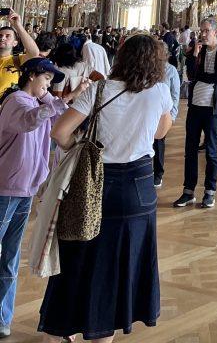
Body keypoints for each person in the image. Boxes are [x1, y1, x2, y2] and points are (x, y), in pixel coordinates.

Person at [38, 33, 173, 343]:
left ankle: (63, 329)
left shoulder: (99, 90)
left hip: (95, 179)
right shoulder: (160, 91)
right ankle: (104, 334)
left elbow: (59, 132)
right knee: (124, 263)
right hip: (139, 186)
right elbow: (160, 132)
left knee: (79, 256)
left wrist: (79, 147)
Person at [0, 57, 89, 339]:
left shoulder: (42, 104)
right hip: (5, 189)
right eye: (46, 80)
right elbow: (29, 122)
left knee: (11, 259)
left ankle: (3, 317)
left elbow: (57, 120)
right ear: (32, 76)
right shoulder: (17, 101)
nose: (49, 86)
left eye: (51, 82)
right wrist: (70, 96)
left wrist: (77, 101)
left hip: (25, 190)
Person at [173, 16, 217, 210]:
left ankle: (210, 192)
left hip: (213, 108)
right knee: (190, 150)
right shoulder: (199, 50)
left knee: (211, 151)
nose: (203, 34)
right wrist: (194, 56)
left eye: (206, 31)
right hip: (195, 106)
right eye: (201, 31)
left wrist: (200, 76)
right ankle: (188, 191)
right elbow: (190, 75)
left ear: (215, 31)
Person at [153, 42, 180, 187]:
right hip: (149, 110)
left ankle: (158, 173)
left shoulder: (172, 71)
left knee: (158, 143)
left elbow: (175, 94)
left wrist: (173, 114)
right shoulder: (149, 68)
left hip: (163, 113)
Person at [0, 12, 40, 91]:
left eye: (7, 36)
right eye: (0, 36)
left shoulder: (18, 60)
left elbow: (34, 53)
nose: (2, 38)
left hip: (7, 102)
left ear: (15, 43)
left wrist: (18, 25)